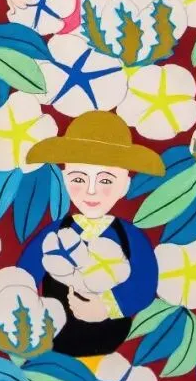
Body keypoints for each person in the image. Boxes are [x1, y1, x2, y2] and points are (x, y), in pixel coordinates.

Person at [18, 111, 164, 360]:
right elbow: (25, 274)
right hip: (55, 339)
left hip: (112, 343)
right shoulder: (54, 233)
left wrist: (107, 306)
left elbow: (145, 283)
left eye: (106, 180)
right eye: (79, 179)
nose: (91, 191)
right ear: (65, 179)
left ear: (125, 185)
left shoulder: (131, 237)